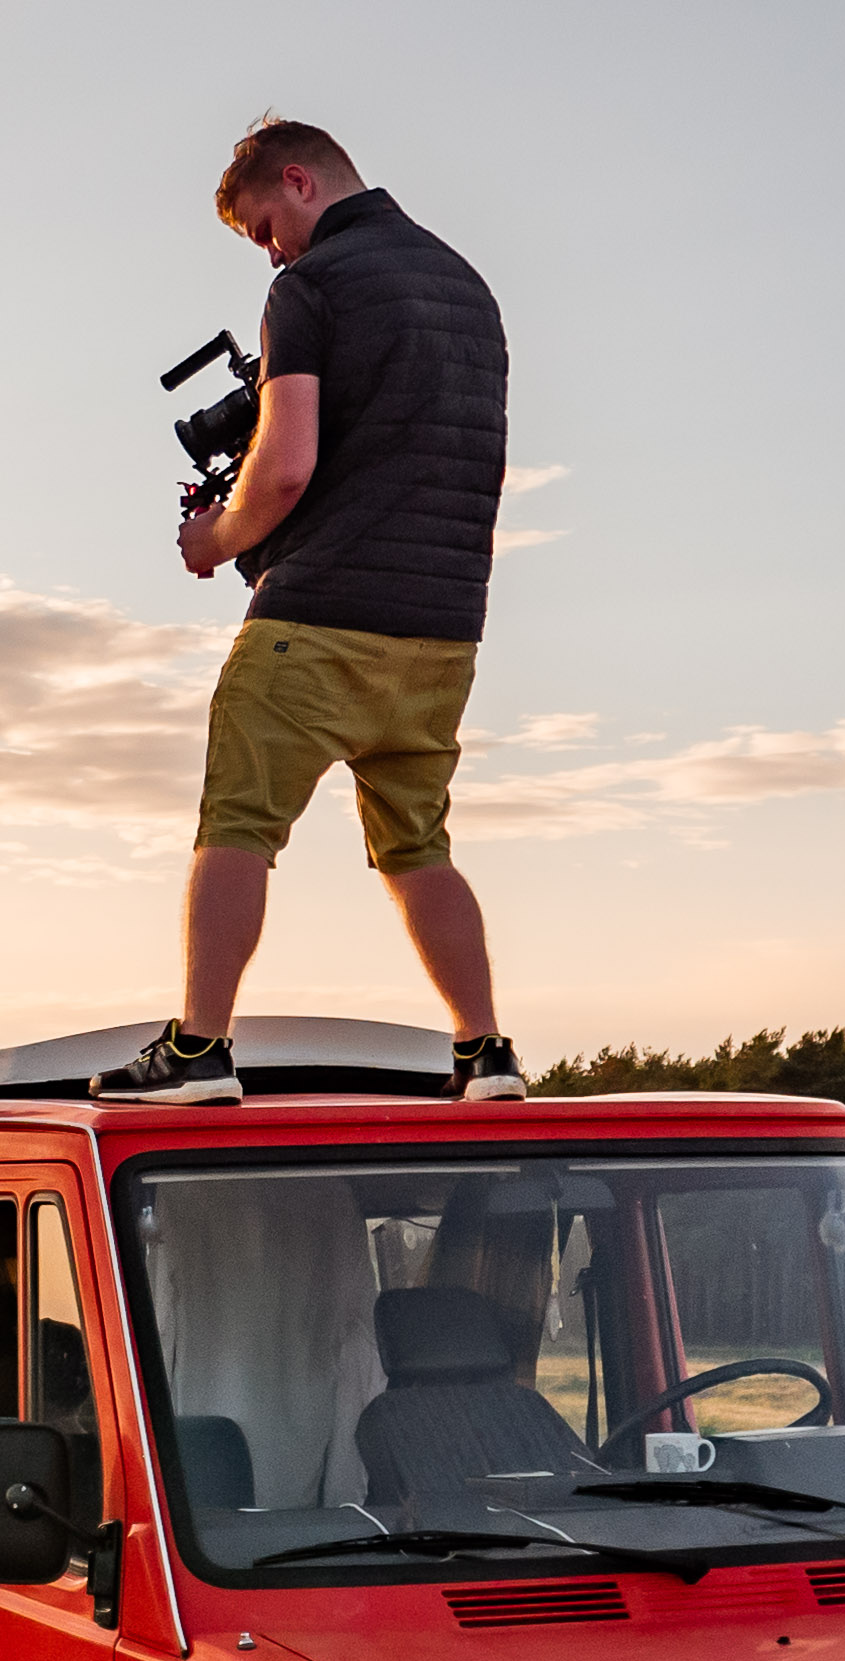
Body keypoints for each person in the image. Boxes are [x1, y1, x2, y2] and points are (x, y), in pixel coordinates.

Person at [94, 117, 520, 1110]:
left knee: (237, 823)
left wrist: (219, 540)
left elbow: (284, 467)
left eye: (263, 230)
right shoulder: (470, 288)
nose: (270, 251)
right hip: (445, 629)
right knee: (418, 847)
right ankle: (486, 1052)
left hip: (321, 615)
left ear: (297, 182)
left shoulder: (310, 286)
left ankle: (199, 1053)